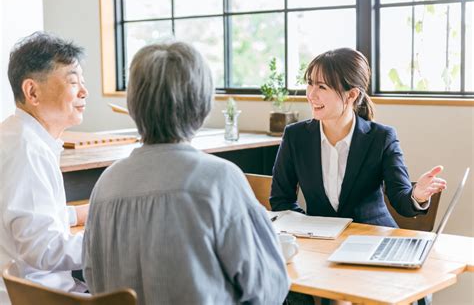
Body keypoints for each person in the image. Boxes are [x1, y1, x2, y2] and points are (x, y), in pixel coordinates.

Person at [83, 41, 290, 305]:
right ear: (202, 104)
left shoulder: (106, 184)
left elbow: (92, 276)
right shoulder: (219, 180)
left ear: (133, 105)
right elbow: (269, 287)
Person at [270, 48, 446, 227]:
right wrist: (309, 226)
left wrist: (417, 195)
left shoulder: (382, 138)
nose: (311, 94)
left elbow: (401, 201)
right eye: (310, 84)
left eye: (322, 86)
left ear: (352, 94)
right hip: (320, 242)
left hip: (373, 237)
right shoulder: (295, 136)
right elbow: (281, 200)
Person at [0, 32, 90, 303]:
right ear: (32, 92)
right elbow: (44, 249)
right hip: (38, 296)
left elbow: (26, 216)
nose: (84, 92)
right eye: (73, 82)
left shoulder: (17, 136)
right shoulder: (27, 150)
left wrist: (76, 215)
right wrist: (113, 240)